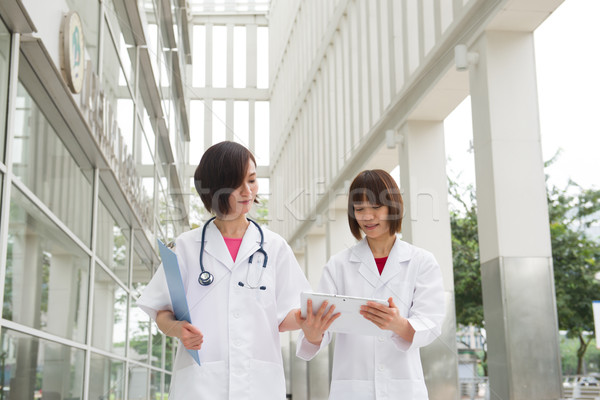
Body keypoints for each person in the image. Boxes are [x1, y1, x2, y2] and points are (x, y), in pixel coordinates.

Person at [137, 141, 310, 399]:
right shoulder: (186, 246)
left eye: (251, 180)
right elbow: (162, 312)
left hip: (258, 385)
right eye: (236, 184)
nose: (247, 191)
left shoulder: (274, 247)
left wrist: (311, 319)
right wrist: (178, 330)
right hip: (200, 384)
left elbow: (285, 316)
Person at [295, 169, 446, 400]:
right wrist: (313, 333)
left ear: (393, 207)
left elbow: (431, 323)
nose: (367, 217)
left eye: (375, 208)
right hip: (353, 390)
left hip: (403, 389)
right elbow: (318, 333)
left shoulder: (421, 262)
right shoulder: (339, 265)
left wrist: (398, 325)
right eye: (359, 209)